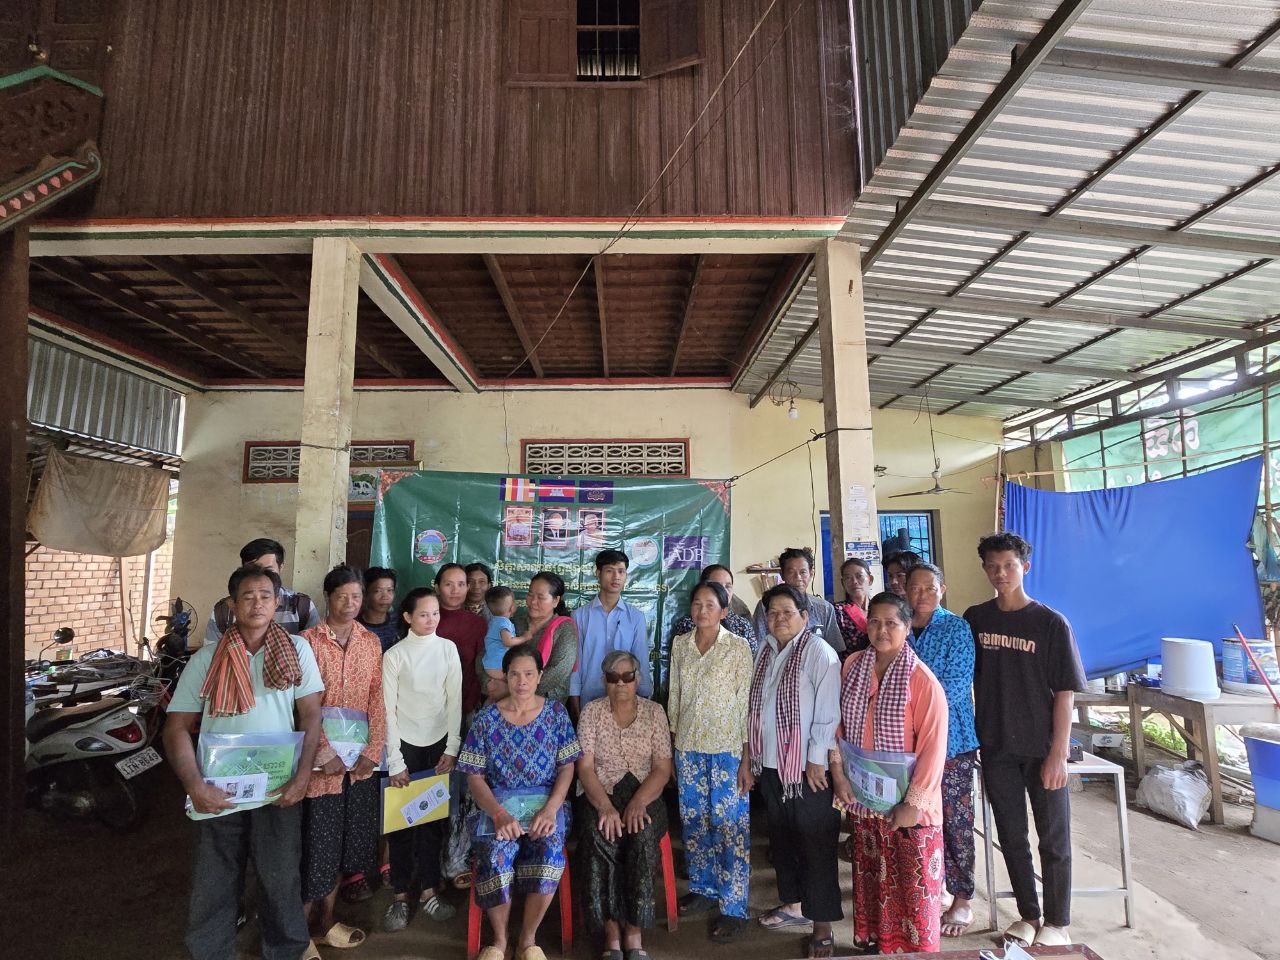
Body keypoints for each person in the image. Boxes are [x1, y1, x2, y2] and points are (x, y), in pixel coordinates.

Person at [163, 564, 324, 960]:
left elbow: (311, 715)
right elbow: (176, 727)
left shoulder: (296, 650)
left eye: (266, 596)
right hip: (219, 789)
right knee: (214, 878)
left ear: (277, 602)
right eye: (247, 597)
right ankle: (210, 952)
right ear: (232, 605)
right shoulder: (207, 658)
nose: (257, 604)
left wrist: (302, 776)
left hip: (277, 787)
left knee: (280, 876)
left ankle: (285, 951)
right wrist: (194, 785)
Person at [963, 532, 1086, 949]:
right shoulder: (977, 619)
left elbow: (1065, 693)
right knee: (1012, 837)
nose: (1000, 573)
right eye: (992, 566)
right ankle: (1029, 915)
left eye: (1009, 565)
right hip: (997, 746)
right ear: (985, 569)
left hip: (1042, 748)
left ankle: (1058, 921)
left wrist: (1059, 754)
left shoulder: (1050, 623)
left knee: (1053, 839)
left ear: (1025, 567)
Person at [831, 591, 948, 954]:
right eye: (875, 622)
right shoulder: (853, 666)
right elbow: (838, 726)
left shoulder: (921, 680)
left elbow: (933, 748)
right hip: (866, 801)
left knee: (911, 886)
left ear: (907, 626)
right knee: (871, 876)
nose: (881, 630)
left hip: (908, 809)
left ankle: (915, 950)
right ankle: (875, 941)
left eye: (891, 623)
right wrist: (839, 774)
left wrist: (912, 804)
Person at [459, 644, 582, 960]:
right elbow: (474, 776)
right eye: (514, 674)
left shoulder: (556, 714)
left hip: (547, 804)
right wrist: (498, 814)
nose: (522, 681)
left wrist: (551, 809)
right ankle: (500, 940)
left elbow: (567, 767)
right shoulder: (486, 719)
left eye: (529, 674)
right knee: (494, 853)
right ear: (505, 676)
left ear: (540, 676)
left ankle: (528, 939)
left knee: (550, 849)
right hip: (497, 805)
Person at [746, 584, 841, 958]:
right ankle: (795, 905)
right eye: (773, 613)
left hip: (806, 769)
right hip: (772, 766)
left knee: (815, 845)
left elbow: (828, 713)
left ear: (805, 616)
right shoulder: (765, 650)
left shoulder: (819, 652)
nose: (779, 619)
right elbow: (754, 707)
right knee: (783, 842)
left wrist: (816, 759)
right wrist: (750, 758)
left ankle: (823, 925)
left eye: (787, 612)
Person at [299, 565, 387, 951]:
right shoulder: (307, 642)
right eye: (342, 596)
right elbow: (302, 704)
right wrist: (323, 751)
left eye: (356, 596)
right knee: (316, 847)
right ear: (328, 597)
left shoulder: (371, 642)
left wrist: (372, 751)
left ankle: (327, 920)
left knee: (342, 847)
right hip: (321, 767)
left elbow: (377, 698)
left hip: (358, 766)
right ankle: (297, 933)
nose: (350, 603)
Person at [667, 580, 753, 942]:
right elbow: (674, 696)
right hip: (688, 748)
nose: (702, 611)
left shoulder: (738, 647)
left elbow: (746, 705)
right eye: (697, 604)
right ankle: (703, 888)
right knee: (695, 823)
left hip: (728, 751)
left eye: (710, 605)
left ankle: (734, 906)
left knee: (730, 828)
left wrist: (747, 760)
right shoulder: (681, 645)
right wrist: (672, 749)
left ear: (724, 611)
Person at [576, 650, 673, 960]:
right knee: (598, 835)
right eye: (613, 677)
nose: (620, 683)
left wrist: (638, 802)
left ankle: (633, 929)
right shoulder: (591, 712)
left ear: (637, 679)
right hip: (601, 792)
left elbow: (662, 768)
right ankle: (611, 932)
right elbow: (585, 768)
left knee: (642, 836)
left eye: (627, 677)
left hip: (645, 792)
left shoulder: (654, 712)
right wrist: (605, 807)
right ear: (604, 680)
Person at [381, 587, 462, 931]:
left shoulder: (447, 649)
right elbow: (387, 711)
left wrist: (452, 747)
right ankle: (400, 895)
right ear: (408, 617)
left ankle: (429, 890)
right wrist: (395, 760)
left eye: (436, 614)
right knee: (400, 824)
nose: (431, 620)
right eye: (424, 614)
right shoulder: (395, 655)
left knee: (432, 822)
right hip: (404, 746)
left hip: (438, 745)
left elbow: (455, 700)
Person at [906, 562, 980, 939]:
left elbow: (954, 687)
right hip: (906, 743)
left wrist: (915, 719)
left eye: (929, 588)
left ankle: (962, 897)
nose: (921, 595)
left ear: (942, 590)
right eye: (914, 588)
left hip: (951, 741)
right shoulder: (900, 626)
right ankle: (928, 887)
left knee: (955, 818)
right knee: (917, 817)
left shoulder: (956, 628)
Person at [570, 549, 653, 717]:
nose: (616, 577)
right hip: (590, 698)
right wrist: (575, 703)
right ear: (598, 573)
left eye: (621, 571)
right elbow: (575, 665)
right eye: (610, 571)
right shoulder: (580, 616)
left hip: (626, 699)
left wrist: (644, 696)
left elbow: (641, 660)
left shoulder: (635, 616)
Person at [204, 538, 321, 645]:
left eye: (268, 570)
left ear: (281, 568)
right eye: (253, 570)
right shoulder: (224, 610)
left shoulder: (302, 606)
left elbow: (316, 651)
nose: (261, 576)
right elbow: (211, 655)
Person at [751, 548, 844, 656]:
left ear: (811, 574)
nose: (798, 578)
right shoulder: (765, 606)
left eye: (803, 572)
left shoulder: (825, 608)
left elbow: (835, 650)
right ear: (782, 574)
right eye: (791, 572)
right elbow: (757, 647)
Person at [512, 571, 578, 703]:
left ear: (555, 601)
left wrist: (515, 689)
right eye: (530, 594)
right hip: (510, 702)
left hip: (548, 703)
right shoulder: (514, 624)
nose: (533, 602)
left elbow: (558, 672)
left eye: (540, 597)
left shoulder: (564, 628)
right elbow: (489, 653)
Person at [668, 564, 758, 655]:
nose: (724, 591)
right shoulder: (687, 624)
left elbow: (752, 657)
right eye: (718, 586)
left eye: (728, 586)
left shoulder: (743, 625)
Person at [435, 562, 487, 719]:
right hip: (428, 704)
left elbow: (480, 667)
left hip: (466, 704)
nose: (455, 590)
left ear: (467, 588)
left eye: (461, 584)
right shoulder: (426, 619)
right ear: (437, 588)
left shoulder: (478, 624)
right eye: (448, 584)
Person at [482, 585, 519, 702]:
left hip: (490, 665)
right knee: (504, 697)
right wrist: (524, 638)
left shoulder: (494, 621)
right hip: (498, 666)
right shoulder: (504, 623)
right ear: (512, 607)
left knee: (495, 697)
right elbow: (508, 642)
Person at [834, 558, 874, 655]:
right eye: (848, 578)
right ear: (843, 583)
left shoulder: (881, 608)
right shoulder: (837, 611)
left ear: (870, 579)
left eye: (859, 576)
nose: (854, 581)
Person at [358, 566, 400, 652]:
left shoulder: (400, 622)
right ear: (365, 594)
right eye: (378, 591)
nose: (385, 597)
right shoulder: (355, 627)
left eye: (389, 590)